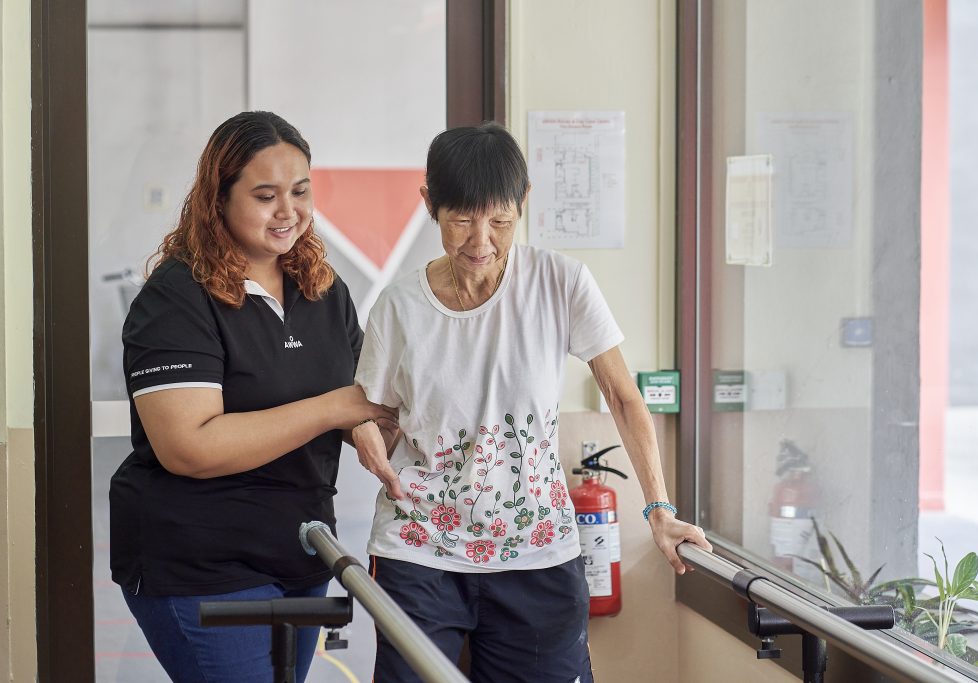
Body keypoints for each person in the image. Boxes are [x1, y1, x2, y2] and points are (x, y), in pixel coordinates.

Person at [352, 122, 713, 683]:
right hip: (420, 552)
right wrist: (365, 437)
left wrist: (659, 511)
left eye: (499, 221)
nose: (481, 243)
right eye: (461, 220)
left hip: (536, 553)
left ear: (523, 203)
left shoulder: (560, 282)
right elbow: (372, 418)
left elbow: (622, 395)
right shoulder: (397, 308)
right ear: (430, 205)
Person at [109, 110, 393, 683]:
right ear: (219, 198)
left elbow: (355, 393)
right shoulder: (178, 298)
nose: (288, 211)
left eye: (300, 191)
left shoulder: (323, 290)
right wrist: (335, 409)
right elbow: (189, 447)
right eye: (266, 195)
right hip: (200, 562)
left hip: (301, 550)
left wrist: (360, 424)